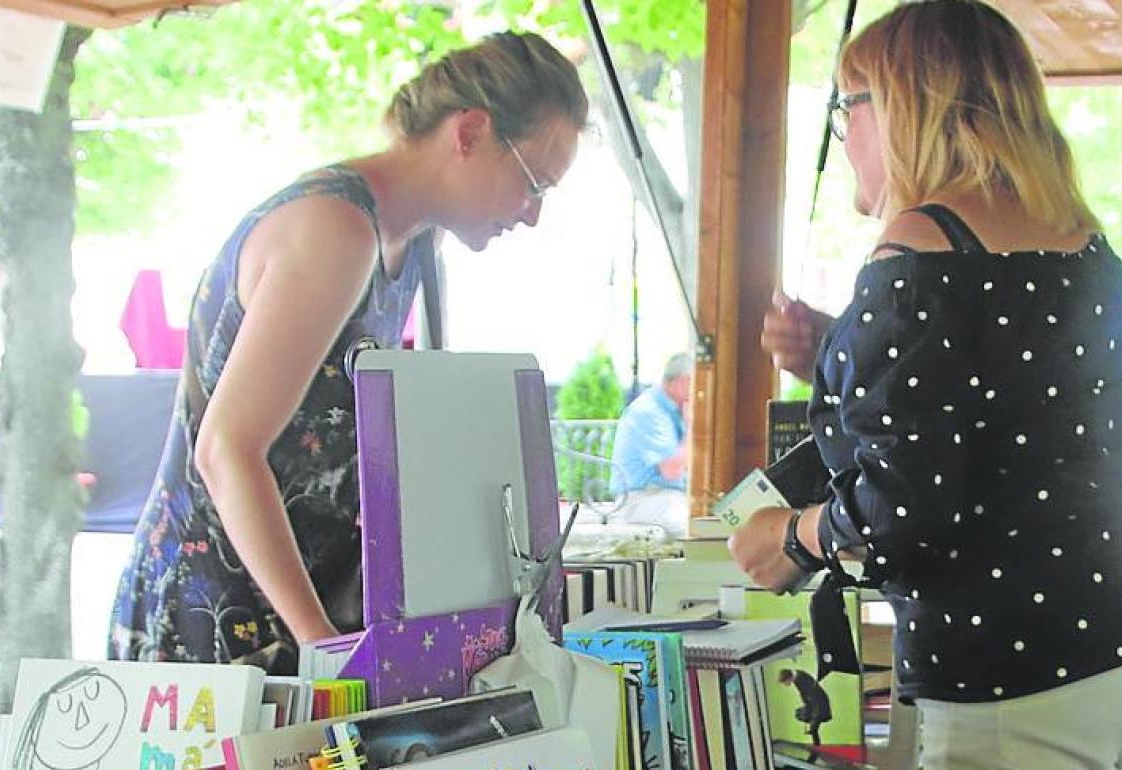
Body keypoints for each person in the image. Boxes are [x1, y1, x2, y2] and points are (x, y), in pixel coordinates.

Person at [729, 2, 1122, 768]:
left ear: (898, 108)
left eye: (846, 106)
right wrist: (837, 345)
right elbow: (1019, 401)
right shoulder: (1085, 246)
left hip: (1026, 664)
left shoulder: (914, 254)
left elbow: (905, 506)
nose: (843, 131)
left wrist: (792, 538)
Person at [108, 31, 588, 672]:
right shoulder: (334, 228)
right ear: (468, 133)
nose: (531, 216)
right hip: (218, 620)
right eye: (534, 183)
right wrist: (326, 647)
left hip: (293, 615)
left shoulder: (412, 240)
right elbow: (226, 450)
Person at [607, 352, 693, 539]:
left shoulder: (671, 409)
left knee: (713, 526)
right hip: (641, 500)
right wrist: (692, 430)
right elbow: (671, 470)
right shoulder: (649, 411)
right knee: (696, 534)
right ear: (682, 381)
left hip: (663, 497)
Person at [777, 667, 833, 755]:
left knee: (813, 726)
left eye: (785, 682)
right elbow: (805, 695)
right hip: (814, 704)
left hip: (820, 705)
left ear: (788, 678)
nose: (785, 684)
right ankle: (816, 746)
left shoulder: (802, 679)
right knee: (799, 714)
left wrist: (814, 719)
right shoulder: (796, 677)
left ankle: (817, 749)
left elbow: (814, 698)